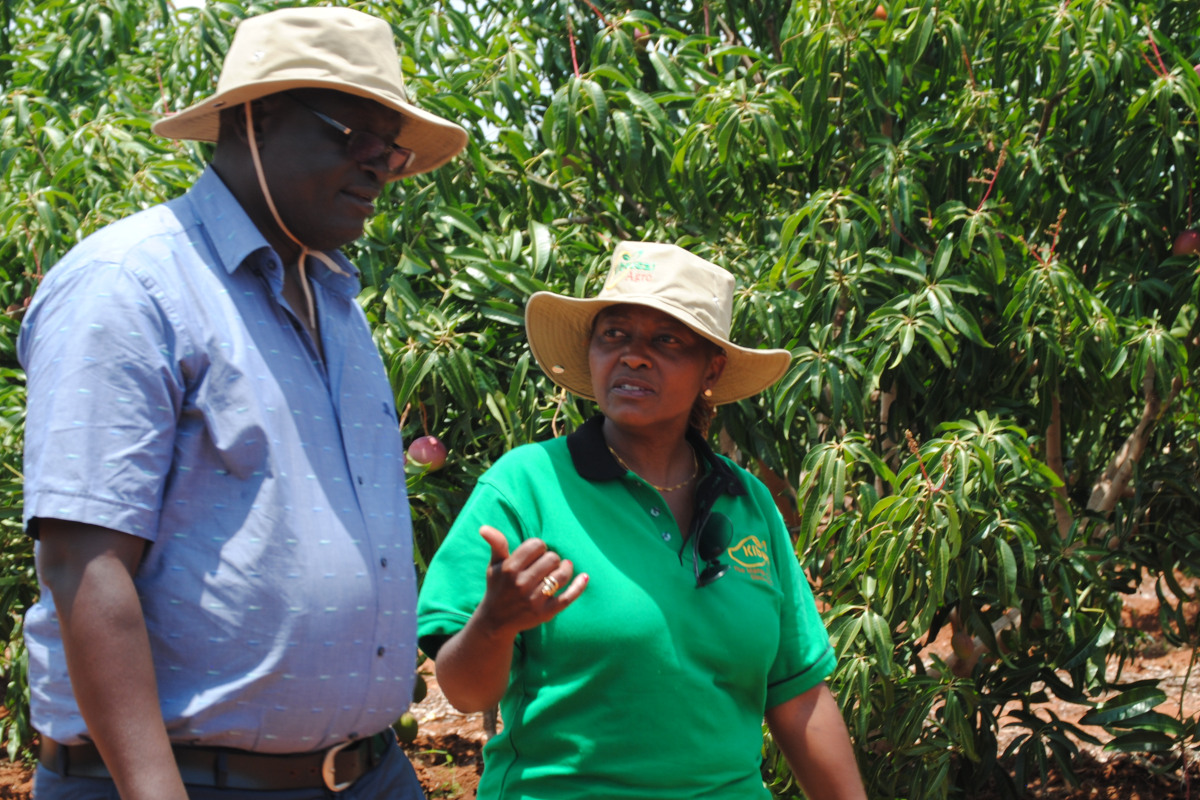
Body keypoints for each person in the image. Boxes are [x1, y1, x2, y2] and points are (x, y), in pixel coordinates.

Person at [19, 7, 467, 799]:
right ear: (253, 120)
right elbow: (82, 563)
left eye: (391, 152)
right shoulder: (131, 285)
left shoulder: (337, 303)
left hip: (366, 773)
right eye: (354, 137)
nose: (377, 168)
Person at [417, 242, 867, 799]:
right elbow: (465, 693)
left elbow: (797, 695)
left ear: (712, 368)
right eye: (614, 334)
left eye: (666, 340)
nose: (633, 356)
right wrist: (494, 623)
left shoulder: (747, 501)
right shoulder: (527, 486)